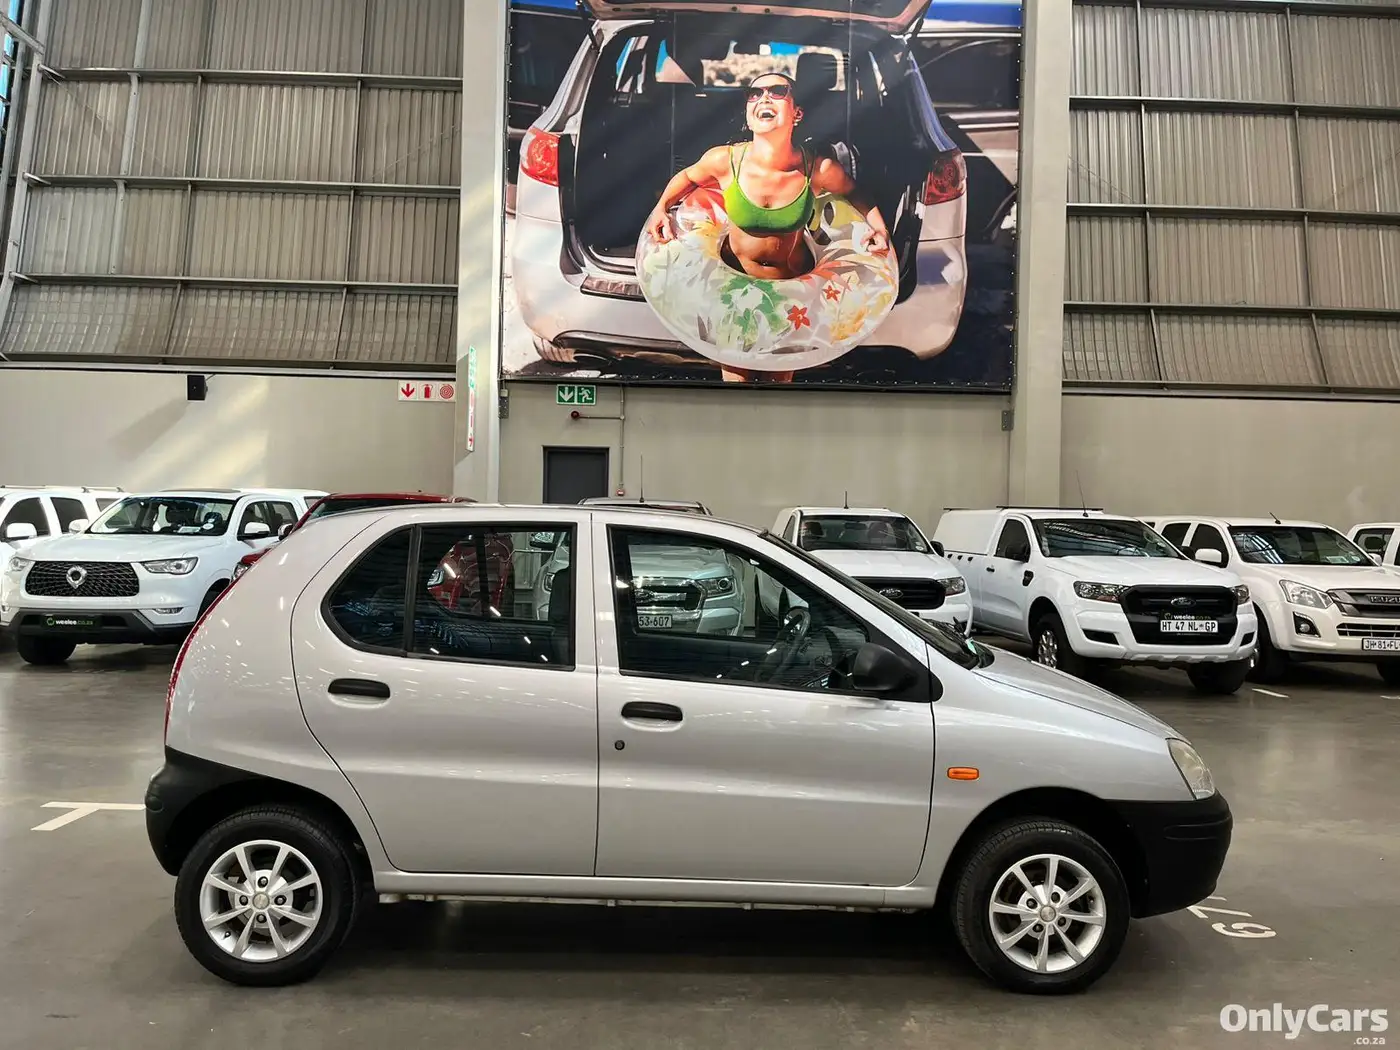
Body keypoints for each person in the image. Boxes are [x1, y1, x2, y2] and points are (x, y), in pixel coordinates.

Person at [643, 71, 891, 384]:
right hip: (733, 295)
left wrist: (879, 228)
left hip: (789, 298)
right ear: (748, 115)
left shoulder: (817, 169)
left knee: (778, 391)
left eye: (777, 91)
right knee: (737, 387)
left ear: (797, 113)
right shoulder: (725, 160)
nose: (764, 98)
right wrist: (660, 208)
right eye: (755, 93)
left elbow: (855, 191)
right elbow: (688, 177)